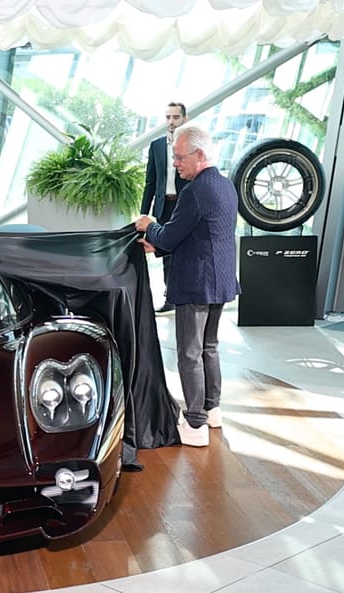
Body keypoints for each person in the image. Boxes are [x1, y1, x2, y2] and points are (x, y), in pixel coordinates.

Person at [134, 124, 240, 447]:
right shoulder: (226, 186)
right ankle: (212, 410)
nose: (176, 164)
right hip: (221, 281)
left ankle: (195, 424)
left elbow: (169, 235)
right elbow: (199, 235)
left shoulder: (194, 192)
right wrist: (159, 246)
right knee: (209, 347)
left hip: (196, 283)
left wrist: (149, 226)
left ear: (199, 154)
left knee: (190, 353)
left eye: (180, 157)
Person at [140, 102, 189, 313]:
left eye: (176, 117)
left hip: (185, 205)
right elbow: (150, 181)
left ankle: (186, 295)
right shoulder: (157, 146)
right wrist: (144, 213)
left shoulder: (192, 145)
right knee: (165, 252)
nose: (171, 121)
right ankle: (171, 297)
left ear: (185, 119)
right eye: (168, 117)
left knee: (186, 251)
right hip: (164, 206)